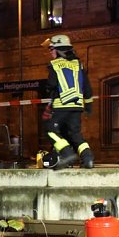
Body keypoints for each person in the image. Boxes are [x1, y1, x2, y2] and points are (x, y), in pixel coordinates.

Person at [40, 35, 94, 169]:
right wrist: (88, 105)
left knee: (50, 130)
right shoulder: (78, 64)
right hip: (76, 107)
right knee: (75, 134)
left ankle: (67, 153)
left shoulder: (55, 64)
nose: (50, 52)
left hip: (61, 105)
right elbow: (87, 87)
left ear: (58, 49)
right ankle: (87, 158)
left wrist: (47, 90)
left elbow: (51, 84)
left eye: (51, 49)